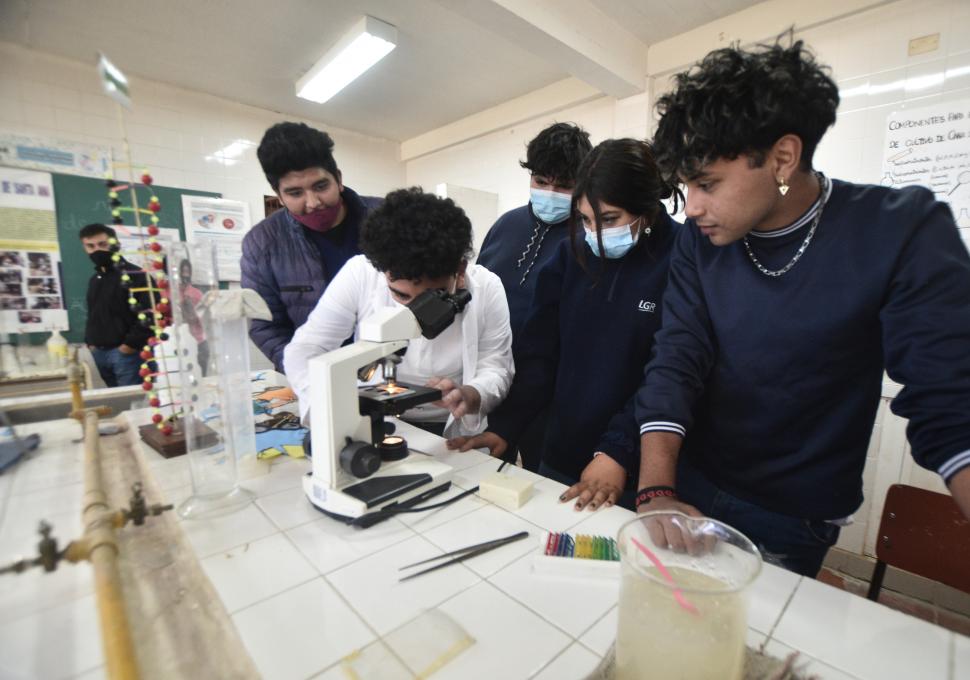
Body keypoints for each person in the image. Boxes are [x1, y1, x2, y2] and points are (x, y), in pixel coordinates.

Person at [633, 41, 970, 577]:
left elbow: (951, 399)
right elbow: (676, 357)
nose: (691, 206)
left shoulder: (900, 231)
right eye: (685, 186)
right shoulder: (699, 243)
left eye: (707, 184)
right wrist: (656, 486)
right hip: (692, 481)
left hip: (793, 514)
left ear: (783, 158)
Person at [449, 139, 680, 510]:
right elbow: (540, 354)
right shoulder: (571, 252)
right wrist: (507, 425)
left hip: (635, 463)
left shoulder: (681, 259)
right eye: (586, 219)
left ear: (648, 208)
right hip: (563, 449)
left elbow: (668, 375)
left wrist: (617, 451)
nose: (596, 236)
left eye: (609, 220)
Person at [284, 188, 514, 437]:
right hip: (374, 418)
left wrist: (472, 394)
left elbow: (496, 366)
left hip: (450, 424)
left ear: (459, 270)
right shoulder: (360, 273)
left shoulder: (487, 287)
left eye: (429, 297)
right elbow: (305, 350)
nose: (412, 311)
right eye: (401, 295)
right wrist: (328, 413)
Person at [477, 122, 592, 470]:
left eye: (564, 185)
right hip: (489, 380)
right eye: (541, 181)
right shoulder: (505, 226)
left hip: (550, 397)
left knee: (543, 483)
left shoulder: (586, 240)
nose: (550, 192)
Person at [242, 122, 381, 372]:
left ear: (338, 179)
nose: (313, 202)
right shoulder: (262, 244)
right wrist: (305, 373)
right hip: (315, 375)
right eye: (295, 193)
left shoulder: (387, 218)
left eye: (321, 186)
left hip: (396, 371)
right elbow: (265, 325)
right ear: (278, 194)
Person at [80, 223, 152, 387]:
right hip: (99, 353)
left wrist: (130, 346)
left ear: (115, 244)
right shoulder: (95, 280)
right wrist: (90, 342)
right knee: (118, 402)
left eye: (102, 244)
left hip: (127, 355)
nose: (97, 250)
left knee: (135, 404)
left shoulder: (136, 276)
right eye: (90, 246)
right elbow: (93, 314)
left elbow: (150, 314)